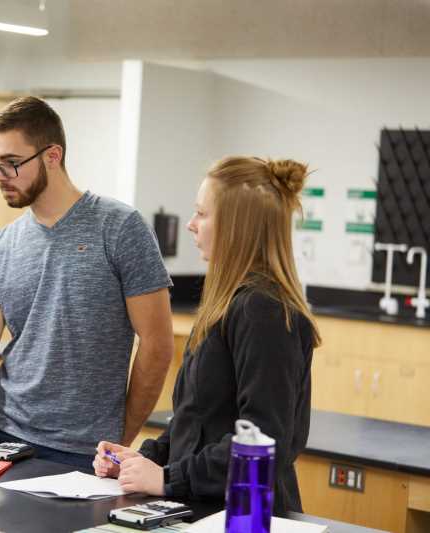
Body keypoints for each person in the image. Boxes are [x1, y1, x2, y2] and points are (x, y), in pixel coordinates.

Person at [0, 96, 175, 469]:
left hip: (82, 451)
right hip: (1, 437)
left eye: (12, 163)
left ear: (52, 156)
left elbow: (157, 344)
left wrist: (121, 437)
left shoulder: (120, 228)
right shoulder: (2, 244)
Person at [93, 156, 322, 515]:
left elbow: (263, 440)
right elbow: (194, 419)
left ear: (236, 226)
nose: (191, 225)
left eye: (202, 213)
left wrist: (169, 478)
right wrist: (144, 460)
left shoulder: (263, 310)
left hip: (243, 515)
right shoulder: (227, 304)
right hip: (198, 507)